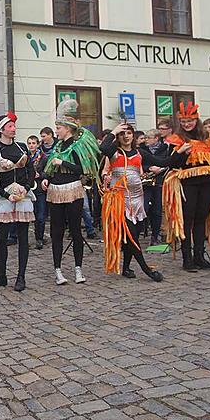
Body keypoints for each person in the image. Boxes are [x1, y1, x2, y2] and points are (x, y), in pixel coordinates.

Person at [41, 99, 101, 285]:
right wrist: (46, 178)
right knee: (56, 231)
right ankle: (58, 270)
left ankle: (78, 269)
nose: (56, 131)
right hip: (55, 191)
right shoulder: (57, 147)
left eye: (58, 127)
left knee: (76, 230)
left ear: (67, 128)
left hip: (73, 190)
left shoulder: (77, 147)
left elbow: (83, 169)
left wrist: (63, 163)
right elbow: (49, 168)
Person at [163, 103, 210, 272]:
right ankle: (187, 259)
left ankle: (199, 256)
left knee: (201, 218)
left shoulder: (206, 138)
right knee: (188, 219)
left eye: (189, 120)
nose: (186, 124)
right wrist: (182, 153)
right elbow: (172, 163)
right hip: (188, 183)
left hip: (206, 181)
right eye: (183, 121)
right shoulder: (177, 139)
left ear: (196, 119)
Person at [100, 123, 163, 282]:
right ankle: (147, 270)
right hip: (119, 202)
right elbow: (104, 147)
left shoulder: (140, 153)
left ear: (133, 136)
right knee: (132, 236)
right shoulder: (114, 153)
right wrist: (114, 131)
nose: (126, 136)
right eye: (123, 134)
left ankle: (126, 268)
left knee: (132, 234)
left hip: (137, 201)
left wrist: (181, 154)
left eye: (128, 133)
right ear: (118, 137)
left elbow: (163, 160)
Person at [0, 113, 36, 292]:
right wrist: (5, 195)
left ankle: (21, 277)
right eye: (10, 126)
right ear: (2, 130)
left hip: (23, 196)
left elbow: (31, 170)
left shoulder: (22, 148)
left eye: (14, 126)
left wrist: (26, 189)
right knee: (2, 238)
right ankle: (2, 276)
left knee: (22, 238)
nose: (14, 129)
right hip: (6, 197)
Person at [139, 128, 170, 246]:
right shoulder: (142, 149)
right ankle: (139, 231)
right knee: (144, 207)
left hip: (159, 181)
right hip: (146, 182)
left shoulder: (165, 149)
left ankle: (155, 236)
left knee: (157, 210)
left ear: (156, 138)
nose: (146, 140)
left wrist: (160, 169)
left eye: (149, 138)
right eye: (145, 138)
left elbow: (167, 162)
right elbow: (140, 163)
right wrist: (149, 168)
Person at [26, 134, 48, 249]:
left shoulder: (43, 157)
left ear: (38, 144)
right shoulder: (25, 156)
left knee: (40, 216)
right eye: (29, 143)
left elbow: (48, 172)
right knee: (28, 216)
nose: (31, 145)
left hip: (39, 189)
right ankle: (25, 239)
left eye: (33, 143)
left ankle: (39, 238)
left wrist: (41, 175)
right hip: (29, 189)